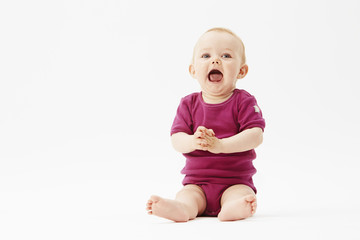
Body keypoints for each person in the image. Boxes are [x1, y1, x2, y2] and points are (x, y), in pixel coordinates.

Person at [146, 28, 265, 222]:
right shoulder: (188, 104)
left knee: (239, 194)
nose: (215, 60)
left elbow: (255, 135)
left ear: (241, 71)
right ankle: (182, 209)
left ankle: (233, 208)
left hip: (234, 181)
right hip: (197, 183)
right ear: (193, 70)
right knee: (188, 195)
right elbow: (177, 139)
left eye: (226, 55)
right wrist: (194, 141)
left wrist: (220, 146)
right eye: (206, 55)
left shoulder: (243, 101)